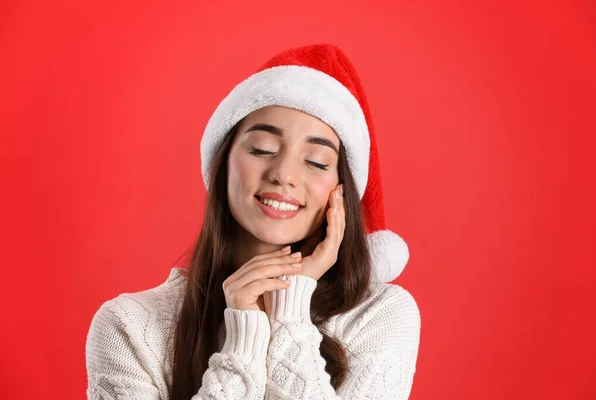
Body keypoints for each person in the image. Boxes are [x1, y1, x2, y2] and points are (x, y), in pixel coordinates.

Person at [85, 43, 421, 399]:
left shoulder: (380, 315)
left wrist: (289, 310)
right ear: (222, 162)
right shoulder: (129, 327)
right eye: (262, 148)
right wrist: (243, 338)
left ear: (341, 191)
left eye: (317, 162)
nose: (284, 175)